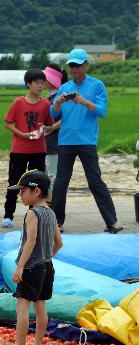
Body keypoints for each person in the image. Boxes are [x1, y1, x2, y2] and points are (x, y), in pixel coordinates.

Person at [50, 48, 123, 234]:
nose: (74, 68)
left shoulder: (97, 85)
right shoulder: (64, 87)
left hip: (87, 141)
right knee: (61, 182)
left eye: (78, 65)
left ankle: (112, 222)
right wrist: (58, 102)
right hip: (65, 140)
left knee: (95, 181)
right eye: (71, 65)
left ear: (86, 65)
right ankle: (57, 223)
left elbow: (102, 111)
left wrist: (84, 101)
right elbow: (53, 113)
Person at [8, 171, 62, 345]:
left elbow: (31, 241)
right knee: (41, 306)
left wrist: (20, 266)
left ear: (36, 191)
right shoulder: (51, 212)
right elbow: (59, 243)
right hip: (47, 266)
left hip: (31, 267)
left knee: (22, 307)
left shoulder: (32, 213)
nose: (20, 195)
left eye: (23, 191)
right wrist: (47, 257)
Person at [1, 69, 55, 228]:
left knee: (37, 184)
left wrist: (45, 129)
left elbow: (49, 124)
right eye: (37, 83)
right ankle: (8, 215)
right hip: (19, 149)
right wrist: (23, 135)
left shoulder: (45, 104)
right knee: (14, 181)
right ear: (28, 84)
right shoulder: (18, 102)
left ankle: (35, 214)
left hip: (39, 149)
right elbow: (8, 123)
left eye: (42, 83)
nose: (40, 86)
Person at [43, 65, 67, 190]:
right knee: (46, 175)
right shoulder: (49, 96)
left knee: (53, 175)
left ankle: (53, 205)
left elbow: (68, 117)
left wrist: (52, 127)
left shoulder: (60, 96)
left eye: (45, 78)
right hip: (47, 141)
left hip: (55, 141)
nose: (42, 81)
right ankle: (48, 204)